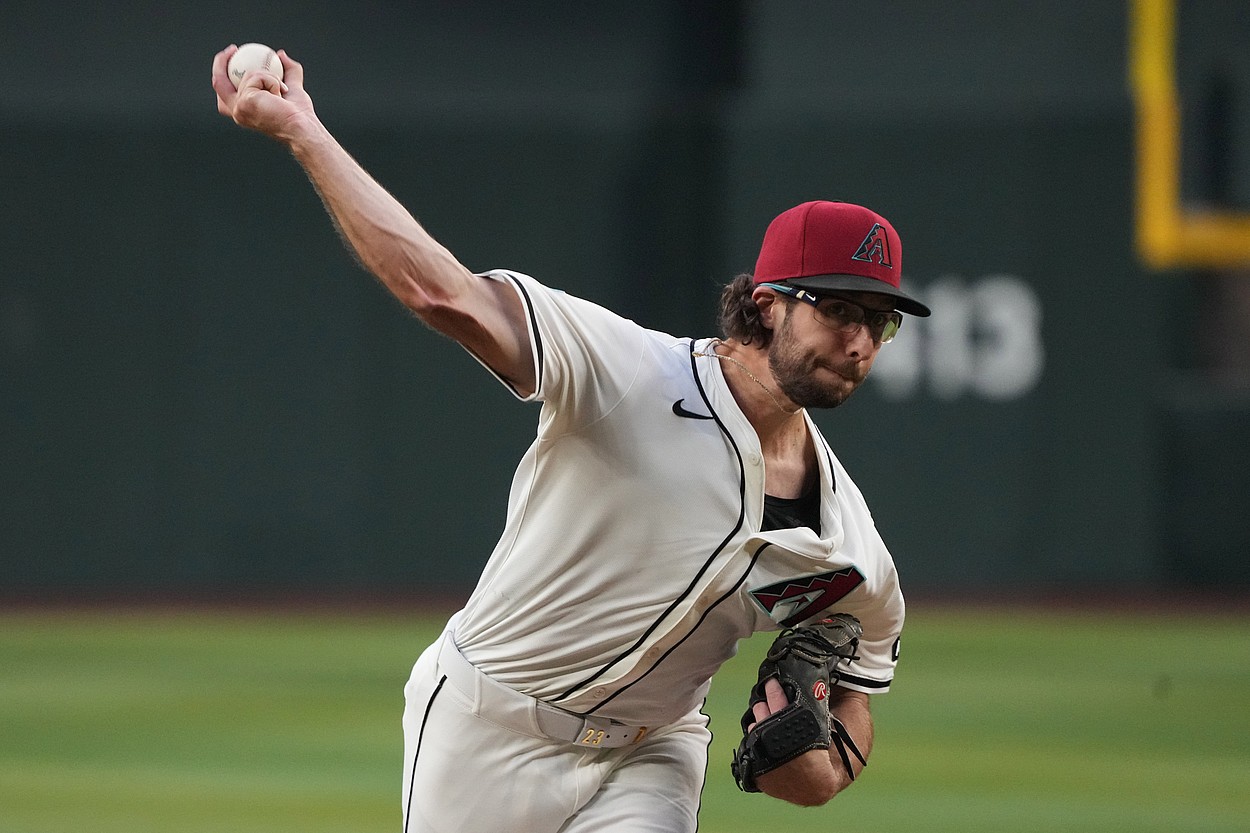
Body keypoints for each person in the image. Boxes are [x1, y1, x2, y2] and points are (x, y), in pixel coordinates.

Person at [211, 44, 930, 833]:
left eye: (878, 320)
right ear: (766, 304)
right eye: (838, 309)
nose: (860, 340)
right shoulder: (629, 371)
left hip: (651, 752)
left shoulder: (848, 547)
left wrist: (822, 770)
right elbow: (439, 291)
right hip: (486, 730)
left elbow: (857, 698)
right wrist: (303, 131)